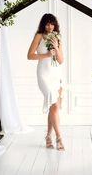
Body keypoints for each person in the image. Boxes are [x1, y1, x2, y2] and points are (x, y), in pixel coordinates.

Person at [27, 13, 65, 151]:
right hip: (43, 75)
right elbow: (30, 55)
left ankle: (49, 136)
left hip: (56, 74)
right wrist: (47, 55)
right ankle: (59, 138)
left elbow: (61, 60)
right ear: (43, 24)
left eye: (52, 23)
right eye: (47, 23)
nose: (50, 26)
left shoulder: (57, 37)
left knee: (54, 107)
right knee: (53, 103)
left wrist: (56, 46)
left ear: (55, 25)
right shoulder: (39, 36)